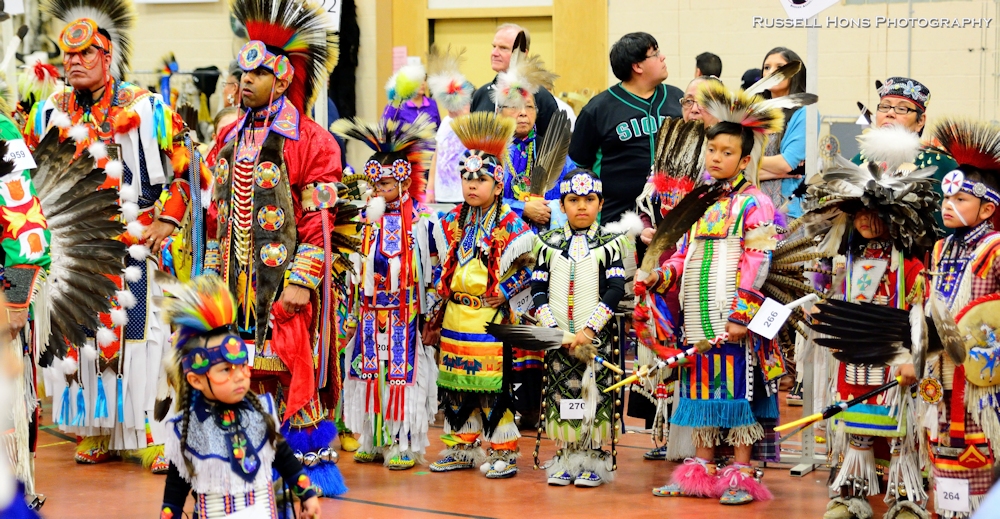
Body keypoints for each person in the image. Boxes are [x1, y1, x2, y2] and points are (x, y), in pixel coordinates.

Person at [26, 0, 206, 473]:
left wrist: (168, 220)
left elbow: (188, 164)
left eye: (86, 53)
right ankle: (99, 429)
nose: (75, 62)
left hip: (135, 243)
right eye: (69, 55)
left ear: (107, 57)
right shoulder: (50, 112)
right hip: (76, 249)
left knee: (142, 335)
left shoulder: (144, 107)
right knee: (83, 340)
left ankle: (151, 432)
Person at [205, 0, 354, 496]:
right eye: (242, 72)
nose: (245, 81)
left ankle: (304, 472)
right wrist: (212, 279)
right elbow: (216, 215)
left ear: (283, 77)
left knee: (290, 367)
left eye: (258, 73)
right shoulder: (228, 137)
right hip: (233, 284)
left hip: (284, 284)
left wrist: (303, 280)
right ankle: (244, 462)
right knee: (236, 369)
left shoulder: (311, 140)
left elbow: (321, 220)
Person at [643, 82, 783, 505]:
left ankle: (740, 471)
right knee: (701, 392)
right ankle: (701, 469)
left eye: (727, 152)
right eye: (712, 150)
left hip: (731, 315)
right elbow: (682, 253)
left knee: (737, 393)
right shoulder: (698, 200)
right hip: (697, 312)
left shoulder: (755, 202)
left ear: (744, 159)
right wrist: (661, 276)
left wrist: (741, 314)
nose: (716, 158)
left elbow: (758, 261)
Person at [804, 126, 940, 519]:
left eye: (874, 212)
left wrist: (912, 358)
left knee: (901, 435)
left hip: (896, 360)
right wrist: (820, 308)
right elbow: (828, 297)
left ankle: (906, 499)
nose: (865, 220)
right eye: (859, 212)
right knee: (856, 430)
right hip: (854, 359)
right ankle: (851, 496)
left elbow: (921, 315)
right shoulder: (846, 261)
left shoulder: (909, 265)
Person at [425, 112, 535, 479]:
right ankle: (461, 447)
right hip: (456, 318)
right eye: (466, 178)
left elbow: (530, 269)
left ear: (498, 184)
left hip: (490, 321)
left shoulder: (511, 224)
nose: (472, 185)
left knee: (491, 387)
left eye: (481, 179)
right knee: (456, 386)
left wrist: (504, 291)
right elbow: (439, 268)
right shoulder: (449, 222)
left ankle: (503, 451)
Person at [332, 114, 445, 470]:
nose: (377, 191)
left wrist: (431, 317)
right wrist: (350, 312)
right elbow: (350, 271)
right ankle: (372, 438)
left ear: (403, 182)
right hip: (368, 314)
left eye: (384, 184)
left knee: (402, 376)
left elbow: (435, 272)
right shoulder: (362, 221)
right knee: (368, 374)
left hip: (405, 315)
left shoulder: (421, 223)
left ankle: (403, 443)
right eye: (374, 184)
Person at [157, 276, 321, 519]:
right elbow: (174, 492)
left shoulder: (260, 414)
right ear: (196, 380)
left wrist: (307, 494)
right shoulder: (187, 429)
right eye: (226, 370)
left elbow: (285, 460)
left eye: (243, 366)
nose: (240, 376)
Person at [531, 169, 632, 487]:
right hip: (560, 339)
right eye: (573, 200)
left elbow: (616, 289)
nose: (582, 206)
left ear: (600, 203)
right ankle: (566, 455)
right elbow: (537, 289)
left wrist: (589, 330)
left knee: (594, 395)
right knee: (563, 393)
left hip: (595, 339)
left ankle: (592, 458)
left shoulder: (611, 243)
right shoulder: (547, 243)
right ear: (562, 205)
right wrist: (554, 330)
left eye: (589, 199)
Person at [922, 118, 1000, 518]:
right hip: (941, 371)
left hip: (983, 381)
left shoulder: (995, 248)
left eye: (961, 200)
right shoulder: (941, 249)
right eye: (946, 198)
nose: (948, 206)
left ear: (987, 208)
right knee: (943, 447)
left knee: (980, 446)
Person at [569, 32, 683, 226]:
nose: (662, 57)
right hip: (616, 221)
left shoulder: (677, 99)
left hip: (672, 218)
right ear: (637, 66)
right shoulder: (598, 109)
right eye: (655, 54)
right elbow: (578, 167)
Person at [853, 77, 958, 233]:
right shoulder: (858, 162)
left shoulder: (941, 165)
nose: (890, 113)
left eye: (902, 109)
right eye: (884, 106)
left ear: (920, 121)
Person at [470, 23, 559, 141]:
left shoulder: (540, 96)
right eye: (494, 46)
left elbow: (555, 143)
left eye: (503, 48)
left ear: (523, 53)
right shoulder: (481, 94)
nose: (494, 53)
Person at [426, 45, 474, 204]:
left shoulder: (470, 124)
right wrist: (430, 189)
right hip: (441, 195)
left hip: (461, 195)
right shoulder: (445, 123)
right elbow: (436, 157)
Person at [383, 62, 441, 131]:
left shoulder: (432, 104)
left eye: (424, 80)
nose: (422, 83)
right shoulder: (397, 104)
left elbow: (439, 130)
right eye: (418, 80)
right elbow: (384, 128)